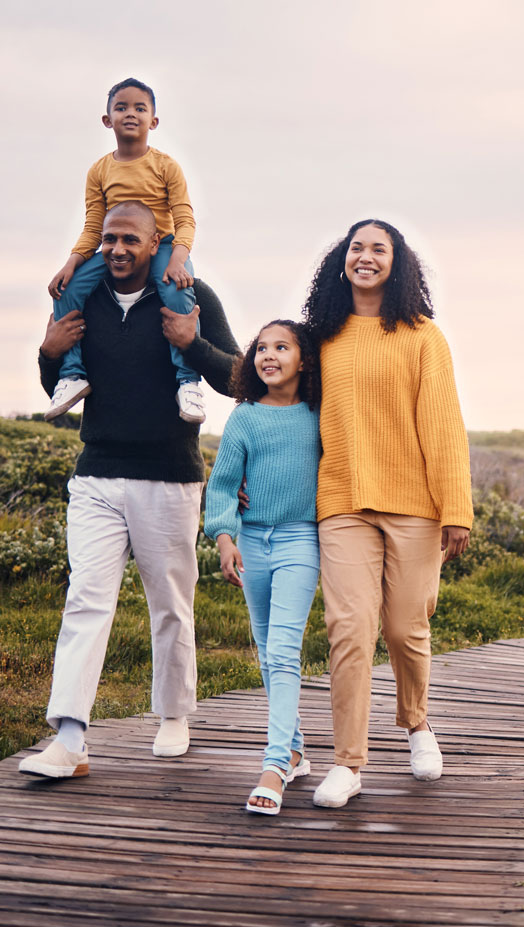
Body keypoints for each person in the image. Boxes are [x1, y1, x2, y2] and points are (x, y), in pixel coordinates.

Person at [19, 201, 241, 779]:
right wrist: (47, 353)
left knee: (171, 605)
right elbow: (61, 385)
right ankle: (69, 739)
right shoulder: (83, 294)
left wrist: (193, 344)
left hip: (169, 477)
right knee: (86, 599)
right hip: (96, 473)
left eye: (130, 240)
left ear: (155, 244)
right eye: (109, 239)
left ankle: (173, 714)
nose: (117, 249)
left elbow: (235, 377)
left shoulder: (189, 293)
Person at [301, 219, 473, 809]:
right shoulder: (320, 335)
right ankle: (348, 763)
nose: (366, 257)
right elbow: (273, 396)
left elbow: (444, 426)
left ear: (397, 263)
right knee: (350, 630)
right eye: (357, 248)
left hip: (416, 506)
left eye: (379, 249)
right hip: (342, 500)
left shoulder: (423, 335)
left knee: (405, 627)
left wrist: (457, 510)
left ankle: (417, 723)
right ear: (341, 260)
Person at [204, 320, 321, 815]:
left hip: (301, 539)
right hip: (252, 541)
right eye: (261, 348)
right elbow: (224, 484)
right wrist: (225, 537)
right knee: (267, 650)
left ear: (304, 359)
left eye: (281, 347)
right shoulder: (244, 417)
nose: (268, 355)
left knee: (284, 650)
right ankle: (294, 748)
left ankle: (274, 765)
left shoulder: (320, 414)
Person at [45, 77, 205, 425]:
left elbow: (185, 218)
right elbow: (93, 227)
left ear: (153, 120)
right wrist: (71, 263)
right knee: (66, 291)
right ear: (108, 120)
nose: (130, 114)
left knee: (177, 293)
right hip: (115, 247)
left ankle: (188, 381)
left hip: (161, 245)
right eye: (121, 108)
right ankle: (73, 374)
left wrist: (178, 258)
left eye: (139, 108)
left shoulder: (166, 166)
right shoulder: (100, 170)